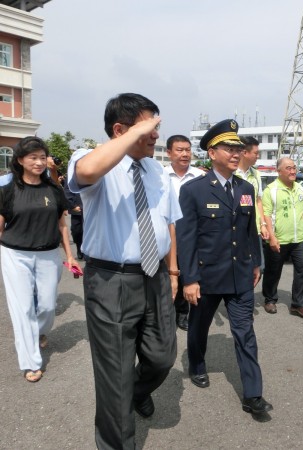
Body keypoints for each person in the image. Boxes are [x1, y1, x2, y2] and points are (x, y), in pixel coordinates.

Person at [67, 93, 181, 450]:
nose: (155, 136)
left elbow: (168, 224)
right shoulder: (91, 161)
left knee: (163, 357)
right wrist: (129, 138)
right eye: (149, 127)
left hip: (155, 277)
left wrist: (173, 272)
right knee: (114, 377)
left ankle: (133, 390)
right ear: (120, 130)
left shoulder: (156, 170)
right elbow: (85, 173)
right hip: (110, 280)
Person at [177, 118, 272, 415]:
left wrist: (256, 262)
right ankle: (197, 362)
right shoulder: (194, 190)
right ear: (212, 152)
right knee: (199, 326)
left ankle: (253, 395)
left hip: (240, 274)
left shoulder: (245, 187)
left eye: (238, 148)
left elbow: (249, 230)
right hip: (206, 276)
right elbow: (186, 239)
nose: (235, 153)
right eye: (229, 148)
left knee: (245, 332)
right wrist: (189, 279)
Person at [0, 136, 81, 383]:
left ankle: (40, 332)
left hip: (48, 254)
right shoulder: (8, 191)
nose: (38, 162)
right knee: (23, 308)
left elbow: (62, 225)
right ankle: (30, 362)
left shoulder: (54, 190)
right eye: (32, 157)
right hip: (15, 254)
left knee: (46, 305)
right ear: (21, 160)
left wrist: (69, 255)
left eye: (41, 157)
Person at [261, 157, 303, 318]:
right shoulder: (271, 190)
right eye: (288, 168)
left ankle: (299, 304)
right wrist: (272, 237)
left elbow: (302, 211)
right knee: (273, 270)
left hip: (298, 238)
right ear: (279, 171)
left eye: (294, 168)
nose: (293, 171)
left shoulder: (299, 188)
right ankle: (270, 299)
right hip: (278, 238)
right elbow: (266, 215)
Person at [164, 134, 205, 331]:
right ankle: (164, 312)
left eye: (188, 150)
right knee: (166, 275)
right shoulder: (160, 176)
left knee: (185, 274)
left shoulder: (200, 176)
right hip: (165, 236)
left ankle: (182, 313)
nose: (185, 154)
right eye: (179, 150)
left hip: (191, 236)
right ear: (169, 153)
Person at [236, 136, 269, 275]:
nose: (258, 156)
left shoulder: (256, 174)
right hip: (237, 228)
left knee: (258, 267)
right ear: (244, 152)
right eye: (255, 153)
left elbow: (258, 201)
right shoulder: (232, 173)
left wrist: (263, 224)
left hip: (254, 229)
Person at [64, 177, 84, 260]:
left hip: (90, 207)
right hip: (77, 208)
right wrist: (72, 206)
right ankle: (79, 247)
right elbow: (67, 190)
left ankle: (89, 252)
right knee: (76, 231)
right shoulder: (72, 174)